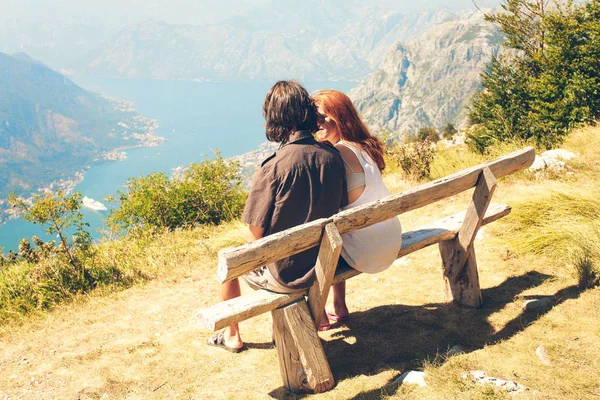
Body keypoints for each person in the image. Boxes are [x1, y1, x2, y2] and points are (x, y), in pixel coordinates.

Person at [207, 81, 347, 352]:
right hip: (324, 264)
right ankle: (274, 329)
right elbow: (339, 206)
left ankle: (231, 335)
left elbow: (255, 236)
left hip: (286, 275)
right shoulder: (332, 157)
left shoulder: (273, 168)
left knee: (229, 264)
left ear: (275, 118)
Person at [312, 89, 402, 328]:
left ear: (339, 117)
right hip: (390, 240)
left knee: (318, 232)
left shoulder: (335, 155)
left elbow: (324, 212)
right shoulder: (364, 147)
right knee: (338, 228)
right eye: (313, 118)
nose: (316, 123)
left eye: (322, 116)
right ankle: (339, 304)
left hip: (367, 251)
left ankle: (318, 311)